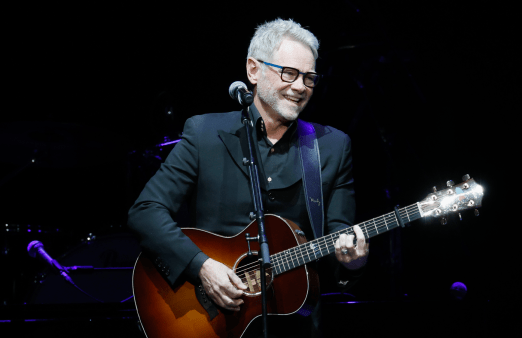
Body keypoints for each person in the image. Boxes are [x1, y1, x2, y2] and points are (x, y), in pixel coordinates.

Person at [128, 18, 368, 337]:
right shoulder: (205, 134)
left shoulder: (333, 147)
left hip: (294, 323)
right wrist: (201, 266)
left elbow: (339, 236)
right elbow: (146, 212)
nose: (300, 87)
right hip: (208, 319)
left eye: (309, 78)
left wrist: (352, 261)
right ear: (253, 70)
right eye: (289, 73)